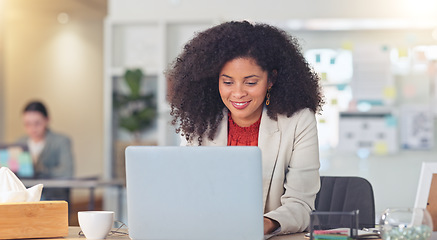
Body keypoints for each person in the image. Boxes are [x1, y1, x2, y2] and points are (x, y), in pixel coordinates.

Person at [166, 21, 324, 235]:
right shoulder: (202, 122)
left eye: (250, 83)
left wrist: (264, 224)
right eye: (228, 82)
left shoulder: (298, 121)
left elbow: (301, 206)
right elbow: (189, 193)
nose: (238, 93)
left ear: (271, 79)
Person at [17, 100, 74, 201]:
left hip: (53, 197)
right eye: (27, 124)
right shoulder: (20, 143)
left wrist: (39, 170)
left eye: (37, 123)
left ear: (47, 120)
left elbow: (66, 171)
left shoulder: (61, 141)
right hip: (27, 199)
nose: (33, 128)